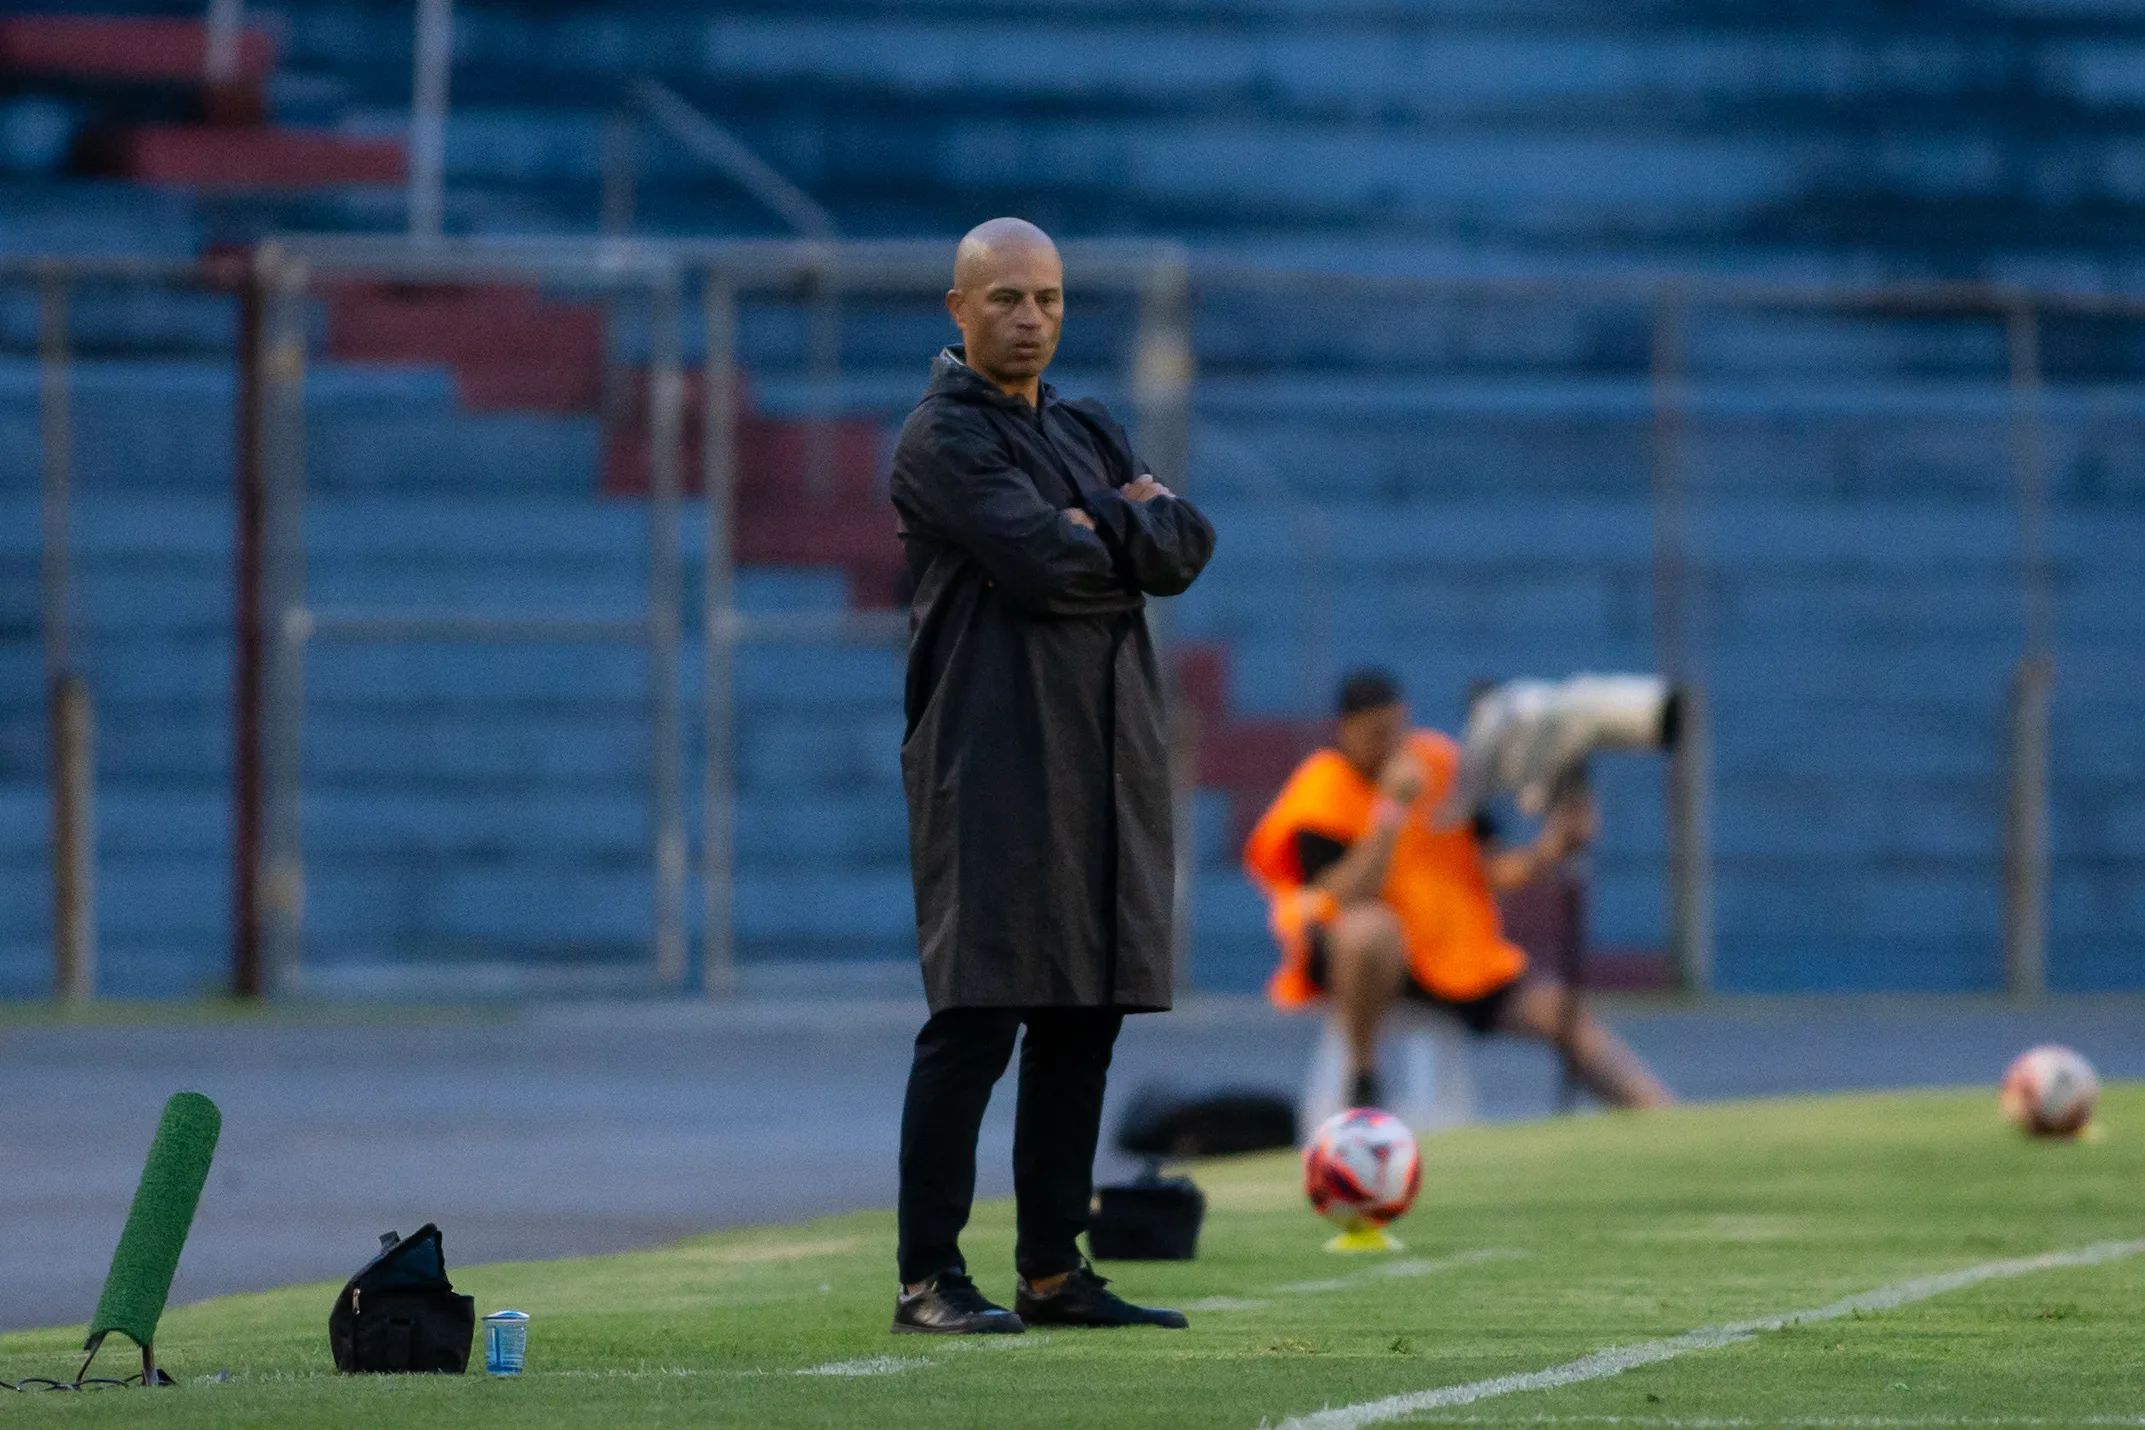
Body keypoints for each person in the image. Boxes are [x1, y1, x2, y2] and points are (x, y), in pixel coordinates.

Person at [887, 218, 1216, 1335]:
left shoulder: (1085, 423)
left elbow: (1186, 546)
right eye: (1005, 299)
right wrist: (1122, 526)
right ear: (958, 308)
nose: (1030, 318)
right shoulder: (940, 439)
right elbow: (1038, 562)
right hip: (989, 760)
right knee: (977, 1017)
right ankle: (927, 1274)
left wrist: (1108, 525)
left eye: (1048, 299)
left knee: (1084, 1018)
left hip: (1104, 756)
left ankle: (1049, 1270)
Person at [1243, 668, 1672, 1111]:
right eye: (1375, 734)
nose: (1391, 745)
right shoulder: (1323, 788)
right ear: (1346, 731)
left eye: (1397, 729)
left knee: (1563, 1016)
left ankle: (1662, 1116)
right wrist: (1391, 810)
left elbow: (1493, 868)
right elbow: (1344, 894)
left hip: (1454, 956)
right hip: (1372, 966)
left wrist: (1550, 850)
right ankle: (1363, 1074)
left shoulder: (1440, 765)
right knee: (1369, 931)